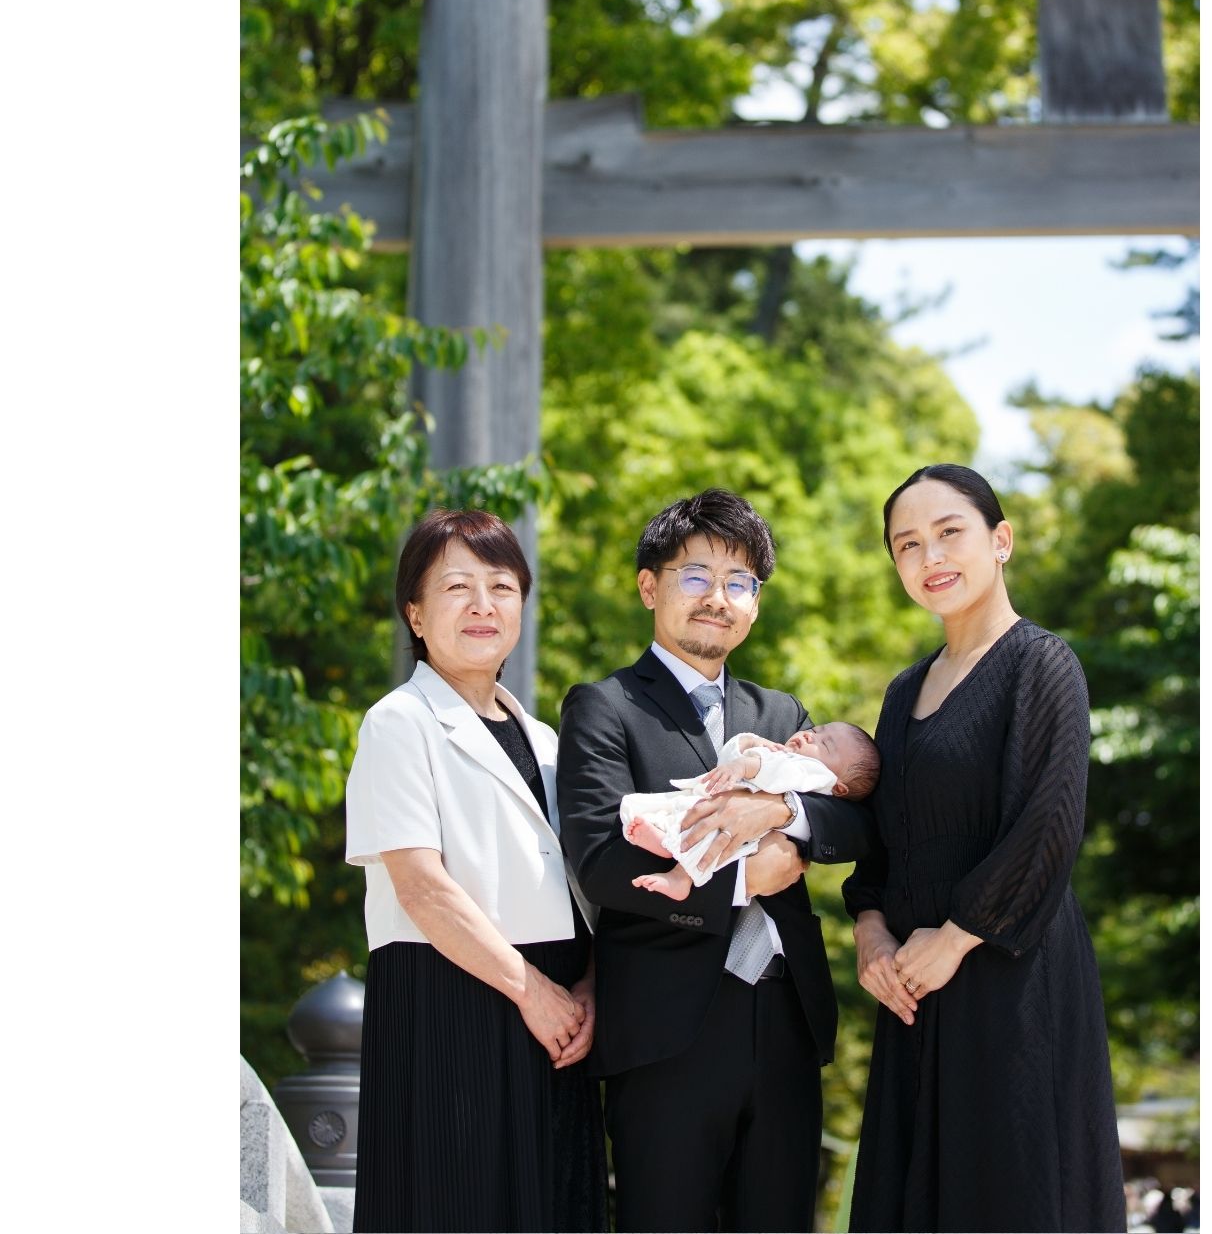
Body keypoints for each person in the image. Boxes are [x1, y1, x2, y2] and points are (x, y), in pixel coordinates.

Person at [556, 489, 875, 1233]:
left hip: (787, 1020)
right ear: (650, 586)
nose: (718, 599)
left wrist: (779, 811)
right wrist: (741, 881)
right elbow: (602, 861)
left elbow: (854, 820)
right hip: (667, 1035)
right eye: (695, 576)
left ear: (756, 603)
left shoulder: (784, 717)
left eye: (740, 584)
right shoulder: (604, 709)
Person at [843, 464, 1127, 1233]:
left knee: (1009, 1197)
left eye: (948, 533)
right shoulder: (904, 691)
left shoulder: (1042, 663)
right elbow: (884, 836)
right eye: (907, 544)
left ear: (1000, 540)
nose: (929, 557)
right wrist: (872, 933)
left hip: (1012, 978)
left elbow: (1049, 823)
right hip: (913, 988)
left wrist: (958, 937)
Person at [344, 508, 608, 1233]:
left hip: (558, 1014)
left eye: (502, 585)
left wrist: (585, 987)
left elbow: (584, 884)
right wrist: (535, 994)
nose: (484, 604)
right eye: (457, 586)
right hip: (448, 998)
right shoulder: (398, 722)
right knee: (453, 1206)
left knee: (554, 1208)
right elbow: (421, 886)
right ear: (416, 615)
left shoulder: (549, 740)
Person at [621, 722, 880, 899]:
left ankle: (681, 875)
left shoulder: (817, 774)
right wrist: (748, 743)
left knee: (713, 835)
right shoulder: (791, 754)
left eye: (826, 745)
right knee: (688, 815)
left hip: (751, 837)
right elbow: (729, 761)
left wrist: (754, 775)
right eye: (816, 729)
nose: (811, 735)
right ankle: (669, 841)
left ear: (840, 789)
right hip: (716, 804)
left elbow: (780, 773)